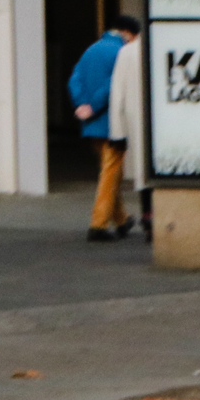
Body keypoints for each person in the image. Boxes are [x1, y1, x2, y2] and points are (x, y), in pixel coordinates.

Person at [69, 15, 139, 241]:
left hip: (91, 124)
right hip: (112, 122)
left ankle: (121, 219)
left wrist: (82, 104)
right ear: (128, 33)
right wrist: (94, 106)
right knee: (110, 172)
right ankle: (98, 224)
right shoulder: (122, 53)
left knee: (110, 171)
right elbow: (114, 85)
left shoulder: (91, 49)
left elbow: (75, 79)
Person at [105, 24, 148, 241]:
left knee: (144, 171)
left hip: (136, 119)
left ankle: (148, 217)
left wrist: (117, 132)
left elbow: (117, 94)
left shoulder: (127, 52)